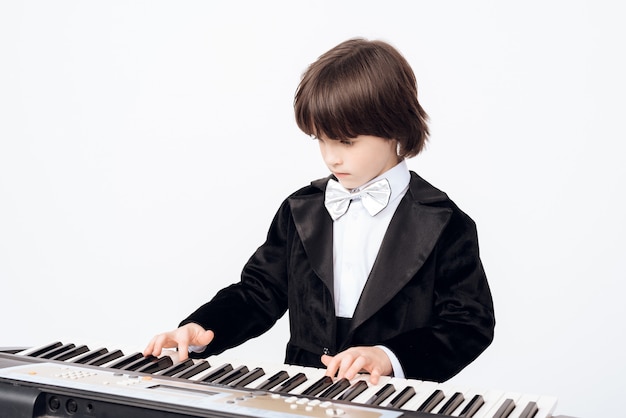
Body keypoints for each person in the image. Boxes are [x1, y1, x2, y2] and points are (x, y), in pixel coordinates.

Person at [144, 37, 495, 385]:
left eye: (346, 141)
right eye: (321, 140)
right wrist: (204, 327)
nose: (331, 157)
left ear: (395, 128)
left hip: (393, 400)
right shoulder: (301, 209)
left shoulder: (444, 222)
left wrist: (388, 357)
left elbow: (467, 325)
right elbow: (257, 293)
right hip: (303, 395)